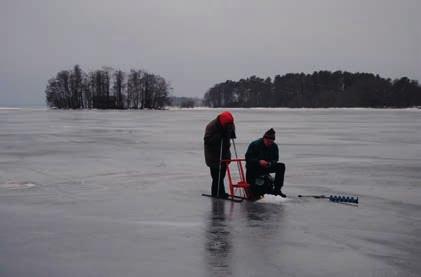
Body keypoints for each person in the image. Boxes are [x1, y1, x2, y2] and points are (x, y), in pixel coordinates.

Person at [245, 128, 286, 198]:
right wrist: (259, 161)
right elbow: (248, 158)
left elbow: (275, 159)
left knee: (281, 166)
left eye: (271, 142)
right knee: (257, 192)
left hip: (266, 166)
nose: (269, 143)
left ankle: (277, 190)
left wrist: (270, 163)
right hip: (253, 168)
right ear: (264, 138)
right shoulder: (255, 144)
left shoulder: (274, 146)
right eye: (267, 141)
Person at [204, 111, 236, 198]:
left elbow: (231, 133)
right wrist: (219, 135)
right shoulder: (211, 126)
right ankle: (215, 193)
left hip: (224, 153)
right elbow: (207, 141)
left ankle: (221, 192)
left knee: (222, 174)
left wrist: (232, 133)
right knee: (216, 176)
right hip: (212, 155)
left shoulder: (229, 124)